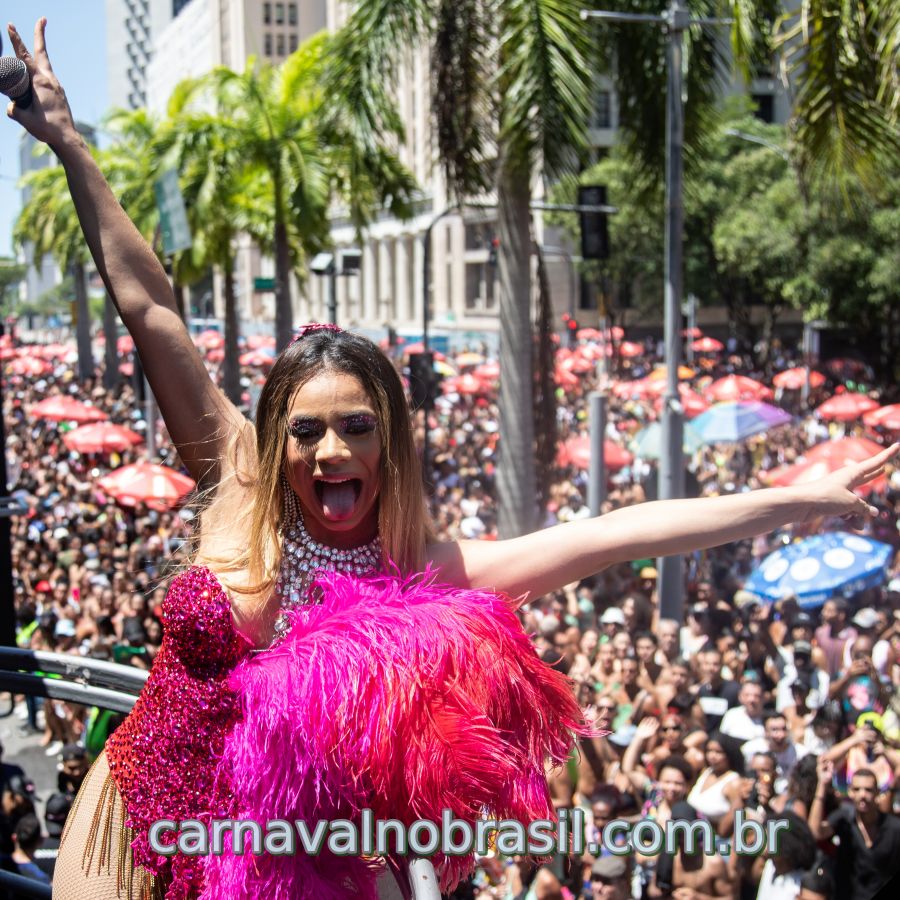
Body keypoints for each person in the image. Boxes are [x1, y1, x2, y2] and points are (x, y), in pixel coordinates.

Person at [6, 16, 896, 899]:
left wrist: (793, 500)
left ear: (389, 441)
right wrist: (69, 141)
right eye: (307, 431)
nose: (329, 450)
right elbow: (149, 308)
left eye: (356, 426)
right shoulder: (239, 483)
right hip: (132, 825)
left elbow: (619, 532)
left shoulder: (425, 572)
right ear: (277, 442)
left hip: (287, 863)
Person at [809, 759, 900, 900]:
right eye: (857, 789)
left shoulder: (894, 828)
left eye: (868, 790)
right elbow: (815, 832)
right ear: (850, 792)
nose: (862, 795)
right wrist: (821, 785)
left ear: (877, 792)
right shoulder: (843, 820)